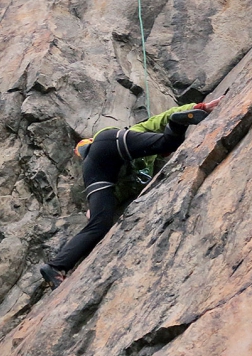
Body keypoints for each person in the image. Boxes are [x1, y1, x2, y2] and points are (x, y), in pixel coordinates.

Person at [40, 97, 223, 288]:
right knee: (168, 142)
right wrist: (199, 107)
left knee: (98, 225)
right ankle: (178, 123)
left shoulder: (124, 162)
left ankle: (55, 266)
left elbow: (119, 189)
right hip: (110, 142)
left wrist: (98, 208)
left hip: (96, 169)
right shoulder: (136, 132)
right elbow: (162, 118)